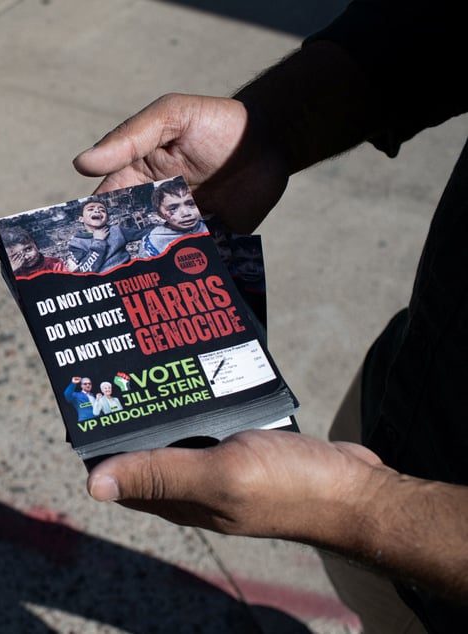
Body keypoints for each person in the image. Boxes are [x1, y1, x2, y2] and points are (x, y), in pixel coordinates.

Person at [72, 1, 468, 632]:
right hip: (406, 389)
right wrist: (274, 125)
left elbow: (358, 506)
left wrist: (360, 508)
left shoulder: (356, 503)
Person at [66, 199, 150, 273]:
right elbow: (85, 270)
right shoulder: (76, 243)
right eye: (90, 209)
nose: (97, 211)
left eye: (102, 210)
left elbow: (144, 234)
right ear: (81, 219)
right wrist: (98, 241)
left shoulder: (117, 230)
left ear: (107, 219)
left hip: (128, 273)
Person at [139, 177, 207, 256]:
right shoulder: (153, 243)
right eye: (173, 208)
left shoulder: (206, 224)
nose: (186, 213)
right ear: (160, 215)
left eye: (191, 204)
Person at [0, 226, 67, 277]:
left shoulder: (54, 264)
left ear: (36, 245)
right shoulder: (15, 272)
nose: (26, 257)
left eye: (28, 249)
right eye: (16, 256)